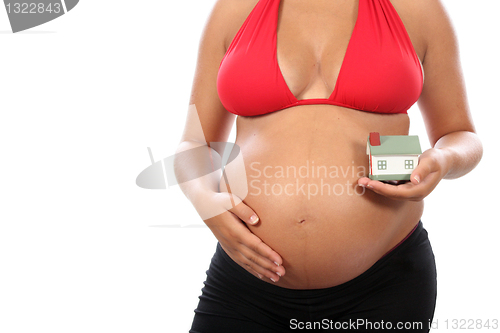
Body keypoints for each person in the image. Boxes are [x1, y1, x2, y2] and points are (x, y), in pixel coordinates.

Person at [174, 0, 483, 331]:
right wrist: (203, 200)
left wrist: (443, 158)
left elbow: (461, 135)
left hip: (384, 283)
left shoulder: (417, 9)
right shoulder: (236, 8)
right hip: (245, 280)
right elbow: (195, 144)